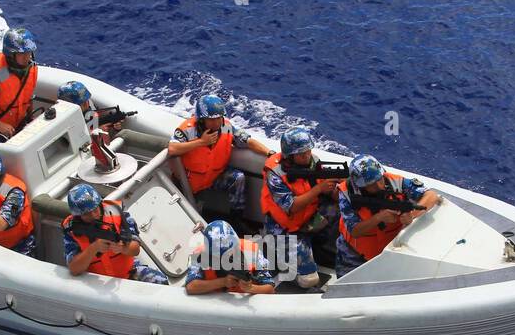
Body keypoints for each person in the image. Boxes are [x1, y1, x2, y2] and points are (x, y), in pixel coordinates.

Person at [260, 127, 340, 289]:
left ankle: (319, 247)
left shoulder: (314, 162)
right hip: (285, 229)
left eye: (308, 151)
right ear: (290, 156)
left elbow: (331, 195)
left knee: (339, 208)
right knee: (309, 281)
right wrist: (319, 189)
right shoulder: (275, 174)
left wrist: (334, 189)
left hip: (308, 219)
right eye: (302, 154)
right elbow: (291, 207)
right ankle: (285, 255)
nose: (307, 155)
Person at [336, 154, 440, 277]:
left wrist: (412, 215)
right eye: (372, 184)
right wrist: (379, 217)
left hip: (389, 252)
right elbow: (354, 231)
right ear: (360, 185)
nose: (379, 186)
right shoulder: (346, 193)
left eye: (379, 179)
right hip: (354, 255)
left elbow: (431, 196)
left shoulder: (397, 182)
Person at [167, 94, 271, 218]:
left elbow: (248, 141)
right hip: (189, 183)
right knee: (193, 216)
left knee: (238, 178)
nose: (216, 123)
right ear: (201, 119)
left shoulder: (227, 127)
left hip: (213, 177)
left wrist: (269, 153)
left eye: (219, 118)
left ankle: (236, 219)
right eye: (211, 119)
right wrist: (201, 142)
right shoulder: (187, 129)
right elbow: (172, 149)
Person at [61, 183, 168, 284]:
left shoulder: (118, 213)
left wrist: (122, 248)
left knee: (161, 281)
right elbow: (74, 269)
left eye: (95, 210)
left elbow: (136, 249)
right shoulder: (71, 229)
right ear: (78, 215)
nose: (93, 215)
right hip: (94, 281)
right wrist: (94, 248)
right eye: (87, 214)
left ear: (99, 203)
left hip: (128, 272)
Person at [185, 220, 276, 296]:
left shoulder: (253, 251)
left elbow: (270, 288)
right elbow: (191, 287)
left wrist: (251, 288)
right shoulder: (198, 255)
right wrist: (223, 282)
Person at [57, 80, 126, 140]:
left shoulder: (89, 111)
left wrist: (115, 128)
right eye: (83, 103)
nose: (87, 104)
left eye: (86, 101)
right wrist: (98, 130)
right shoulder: (64, 123)